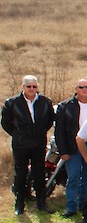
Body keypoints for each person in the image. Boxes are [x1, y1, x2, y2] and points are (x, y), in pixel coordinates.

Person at [2, 75, 55, 215]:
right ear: (23, 87)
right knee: (21, 173)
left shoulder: (45, 102)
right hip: (21, 144)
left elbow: (50, 120)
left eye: (34, 86)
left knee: (39, 172)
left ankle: (41, 203)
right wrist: (18, 134)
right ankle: (19, 204)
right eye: (28, 86)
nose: (32, 89)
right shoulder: (12, 103)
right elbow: (6, 123)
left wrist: (40, 132)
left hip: (38, 143)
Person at [54, 79, 87, 220]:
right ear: (76, 88)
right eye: (81, 87)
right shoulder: (65, 106)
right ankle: (71, 206)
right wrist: (63, 151)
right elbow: (59, 131)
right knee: (73, 176)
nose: (84, 89)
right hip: (72, 146)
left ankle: (83, 204)